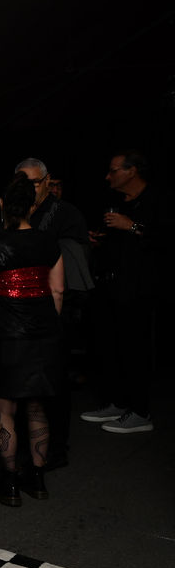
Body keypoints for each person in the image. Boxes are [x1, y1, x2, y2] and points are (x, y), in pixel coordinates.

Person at [0, 175, 64, 506]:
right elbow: (57, 290)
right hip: (44, 336)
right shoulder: (49, 241)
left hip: (7, 336)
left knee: (5, 410)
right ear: (33, 205)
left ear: (2, 205)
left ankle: (9, 483)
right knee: (37, 406)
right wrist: (47, 326)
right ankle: (37, 479)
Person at [80, 150, 171, 433]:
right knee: (110, 347)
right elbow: (118, 246)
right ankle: (118, 403)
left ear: (132, 171)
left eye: (114, 170)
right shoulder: (116, 202)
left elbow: (165, 238)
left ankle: (140, 412)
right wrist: (97, 241)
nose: (108, 176)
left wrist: (130, 225)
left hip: (138, 289)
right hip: (110, 286)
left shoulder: (158, 200)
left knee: (135, 348)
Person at [14, 158, 93, 469]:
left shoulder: (65, 213)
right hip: (21, 310)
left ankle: (56, 448)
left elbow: (73, 269)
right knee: (21, 380)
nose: (29, 188)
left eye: (34, 182)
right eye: (23, 182)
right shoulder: (15, 211)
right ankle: (21, 441)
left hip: (55, 309)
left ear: (47, 182)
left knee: (53, 382)